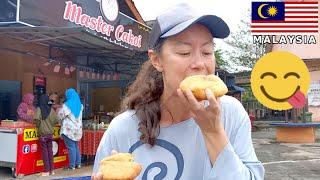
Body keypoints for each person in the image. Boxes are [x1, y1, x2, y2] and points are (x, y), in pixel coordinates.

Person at [92, 3, 264, 180]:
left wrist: (213, 132)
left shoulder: (230, 113)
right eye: (184, 52)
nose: (199, 63)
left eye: (207, 52)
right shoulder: (123, 128)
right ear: (157, 60)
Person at [58, 88, 83, 170]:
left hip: (69, 130)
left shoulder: (67, 105)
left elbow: (61, 115)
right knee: (75, 147)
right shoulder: (80, 105)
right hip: (77, 130)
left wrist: (58, 119)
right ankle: (78, 164)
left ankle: (72, 166)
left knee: (71, 147)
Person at [33, 94, 58, 176]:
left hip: (43, 134)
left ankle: (46, 171)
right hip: (50, 134)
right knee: (50, 152)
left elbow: (36, 119)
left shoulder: (39, 109)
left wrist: (38, 125)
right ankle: (52, 170)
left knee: (45, 153)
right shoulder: (52, 110)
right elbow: (56, 121)